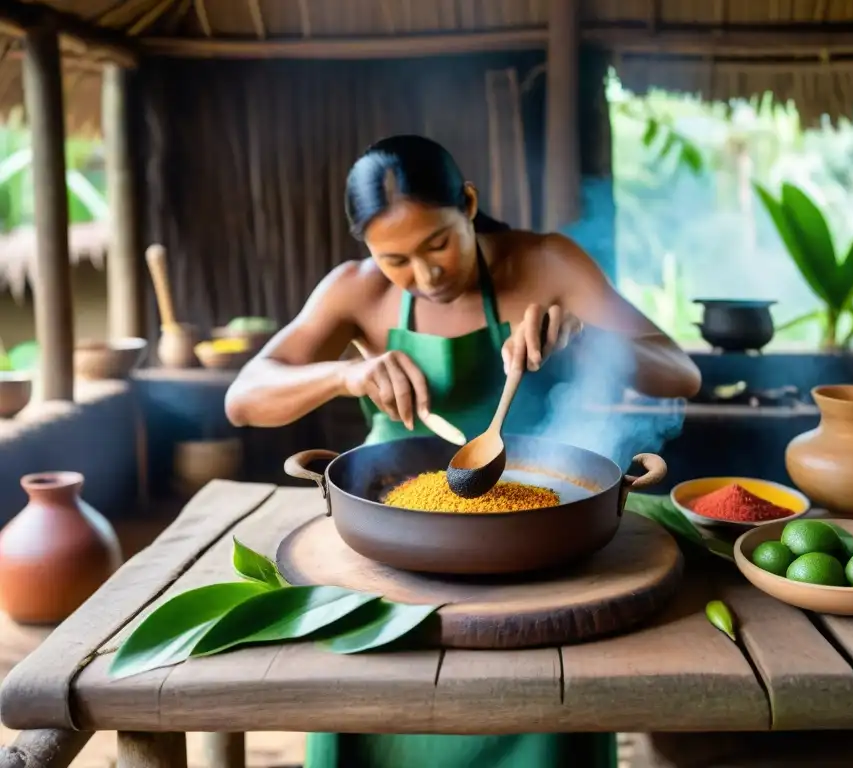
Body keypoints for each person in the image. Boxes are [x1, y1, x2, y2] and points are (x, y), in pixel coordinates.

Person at [225, 134, 701, 768]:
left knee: (541, 702)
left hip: (539, 520)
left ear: (469, 205)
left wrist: (588, 341)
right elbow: (245, 397)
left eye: (438, 244)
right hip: (390, 530)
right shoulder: (356, 291)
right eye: (393, 258)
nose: (424, 276)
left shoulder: (547, 264)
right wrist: (343, 375)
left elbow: (681, 372)